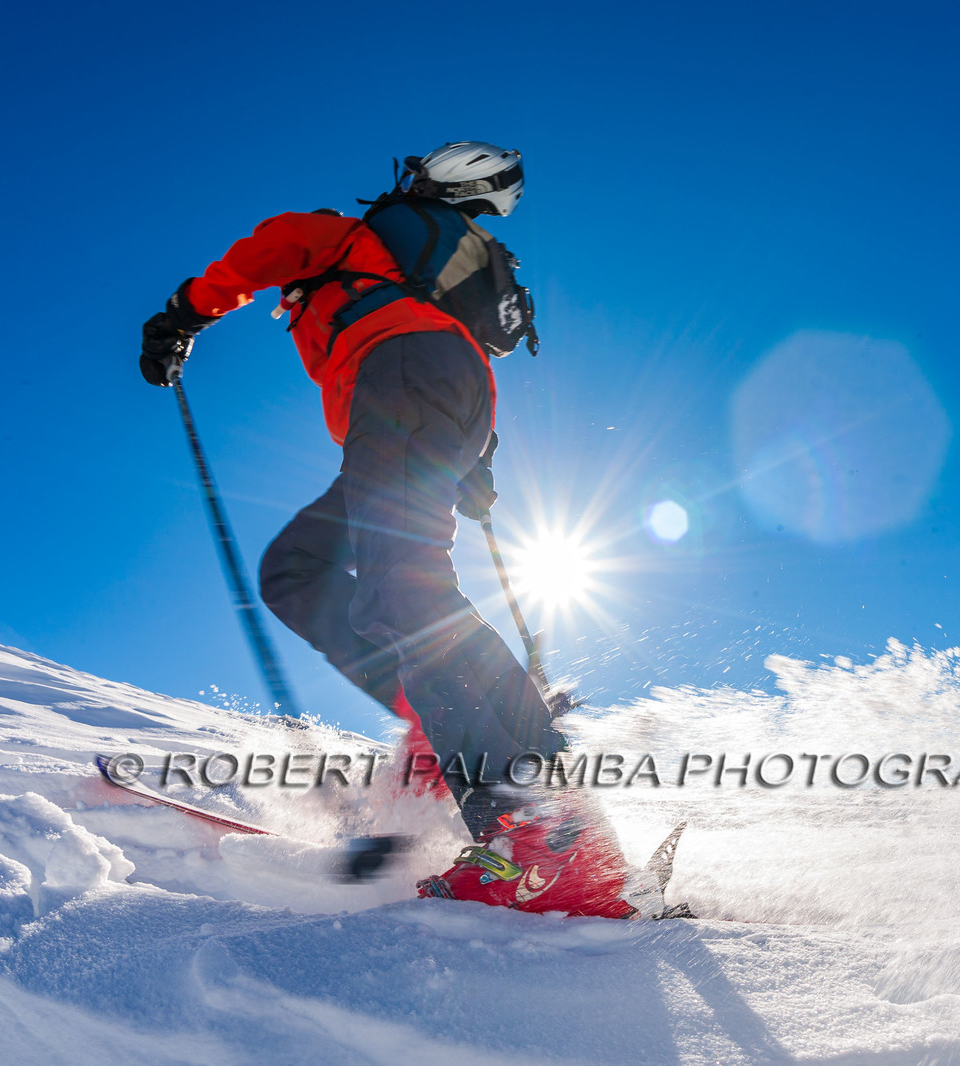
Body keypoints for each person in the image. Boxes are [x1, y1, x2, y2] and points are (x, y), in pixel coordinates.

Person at [139, 142, 659, 918]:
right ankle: (535, 805)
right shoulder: (428, 278)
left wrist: (184, 314)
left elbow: (267, 251)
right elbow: (464, 366)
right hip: (432, 401)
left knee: (404, 593)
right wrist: (473, 466)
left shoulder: (349, 236)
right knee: (302, 570)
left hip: (404, 383)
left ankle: (529, 832)